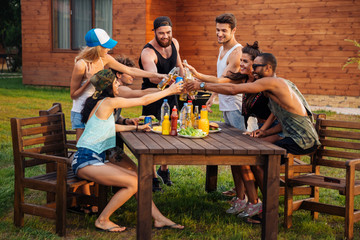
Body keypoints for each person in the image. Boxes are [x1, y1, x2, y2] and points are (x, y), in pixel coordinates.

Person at [185, 52, 320, 221]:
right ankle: (254, 202)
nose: (253, 70)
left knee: (255, 157)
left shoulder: (271, 82)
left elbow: (234, 90)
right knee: (247, 150)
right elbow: (287, 119)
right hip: (291, 135)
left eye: (256, 66)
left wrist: (201, 85)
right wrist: (264, 131)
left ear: (268, 68)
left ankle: (268, 207)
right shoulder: (275, 84)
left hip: (302, 140)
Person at [71, 69, 184, 232]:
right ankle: (102, 219)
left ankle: (158, 218)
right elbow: (144, 100)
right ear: (108, 86)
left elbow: (109, 126)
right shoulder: (108, 102)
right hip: (86, 160)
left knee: (137, 177)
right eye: (116, 82)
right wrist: (170, 91)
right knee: (134, 182)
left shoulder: (101, 103)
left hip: (91, 158)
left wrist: (135, 127)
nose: (118, 85)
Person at [69, 28, 166, 211]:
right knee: (84, 151)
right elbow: (73, 94)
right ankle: (87, 202)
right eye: (105, 47)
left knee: (99, 150)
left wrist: (158, 76)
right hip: (81, 112)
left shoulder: (104, 59)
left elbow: (130, 70)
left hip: (99, 111)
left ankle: (102, 191)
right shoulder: (81, 64)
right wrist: (90, 81)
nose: (108, 50)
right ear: (96, 47)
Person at [139, 16, 184, 191]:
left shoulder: (175, 43)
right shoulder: (148, 52)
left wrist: (185, 77)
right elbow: (153, 77)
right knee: (151, 136)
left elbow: (179, 65)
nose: (165, 36)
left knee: (171, 131)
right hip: (152, 97)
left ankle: (164, 170)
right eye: (161, 33)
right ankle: (152, 177)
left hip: (172, 95)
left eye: (168, 32)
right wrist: (173, 81)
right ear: (155, 32)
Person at [198, 13, 245, 131]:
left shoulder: (237, 53)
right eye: (217, 30)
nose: (219, 34)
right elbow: (222, 76)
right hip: (226, 105)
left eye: (224, 30)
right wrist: (213, 96)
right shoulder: (222, 48)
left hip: (235, 106)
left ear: (233, 30)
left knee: (241, 143)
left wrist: (198, 78)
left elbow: (222, 81)